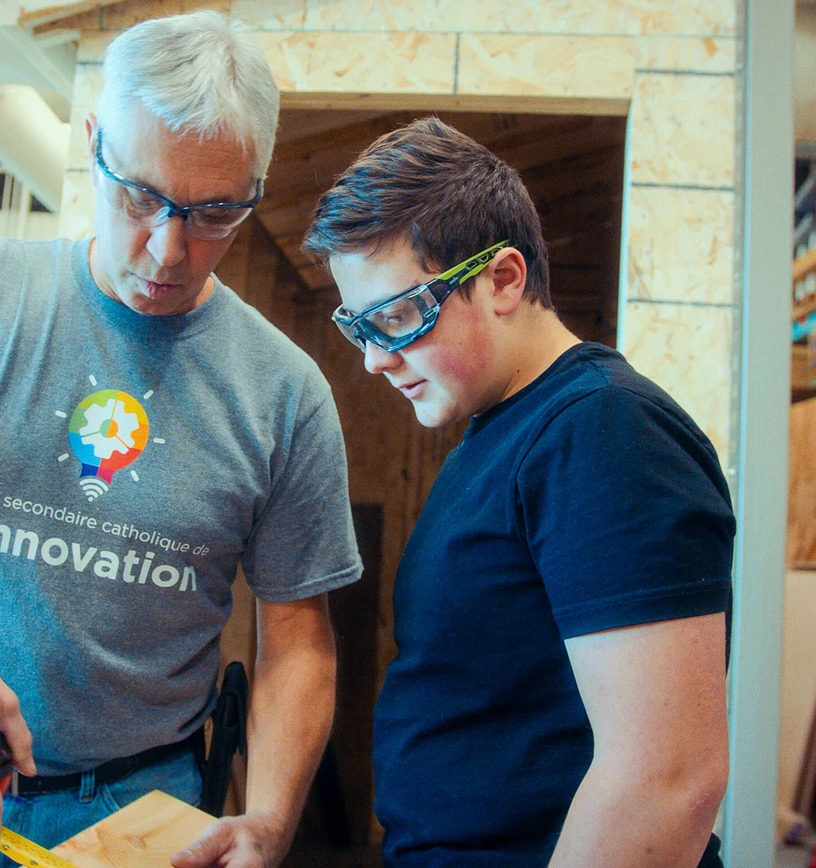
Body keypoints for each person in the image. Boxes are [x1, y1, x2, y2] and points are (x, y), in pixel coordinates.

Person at [0, 9, 361, 868]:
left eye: (213, 213)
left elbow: (298, 645)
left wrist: (269, 820)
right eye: (141, 196)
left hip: (139, 813)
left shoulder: (286, 394)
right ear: (93, 140)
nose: (168, 248)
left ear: (255, 187)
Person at [303, 117, 734, 868]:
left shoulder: (602, 433)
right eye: (358, 326)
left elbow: (666, 781)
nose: (373, 360)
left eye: (396, 318)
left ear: (501, 278)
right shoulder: (503, 431)